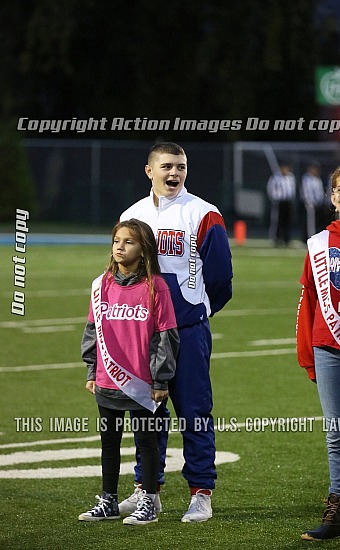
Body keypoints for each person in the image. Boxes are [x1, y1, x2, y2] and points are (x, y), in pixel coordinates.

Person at [117, 142, 233, 523]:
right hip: (144, 335)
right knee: (147, 413)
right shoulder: (132, 215)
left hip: (187, 331)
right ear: (149, 170)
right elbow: (121, 274)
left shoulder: (203, 213)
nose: (174, 174)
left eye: (181, 167)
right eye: (166, 166)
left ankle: (201, 493)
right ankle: (147, 490)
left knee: (195, 412)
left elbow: (220, 278)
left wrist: (196, 311)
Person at [78, 219, 179, 525]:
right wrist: (92, 371)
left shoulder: (155, 287)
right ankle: (108, 500)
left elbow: (167, 336)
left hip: (142, 384)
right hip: (107, 380)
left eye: (128, 242)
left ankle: (148, 501)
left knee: (146, 443)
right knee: (108, 443)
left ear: (144, 249)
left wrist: (161, 378)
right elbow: (92, 331)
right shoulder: (102, 286)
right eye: (116, 241)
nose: (120, 247)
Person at [296, 164, 340, 543]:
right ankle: (339, 509)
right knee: (336, 433)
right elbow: (308, 302)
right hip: (326, 346)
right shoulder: (319, 243)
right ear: (331, 197)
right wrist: (307, 352)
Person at [267, 163, 296, 246]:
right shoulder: (276, 178)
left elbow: (292, 189)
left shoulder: (291, 177)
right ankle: (276, 238)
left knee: (288, 221)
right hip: (279, 201)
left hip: (288, 201)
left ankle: (287, 239)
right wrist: (274, 198)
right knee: (277, 221)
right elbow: (270, 189)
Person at [300, 162, 326, 242]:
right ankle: (309, 238)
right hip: (310, 203)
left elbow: (320, 191)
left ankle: (315, 236)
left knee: (316, 222)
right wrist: (309, 202)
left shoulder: (317, 179)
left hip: (318, 204)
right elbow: (306, 191)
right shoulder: (306, 178)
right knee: (310, 222)